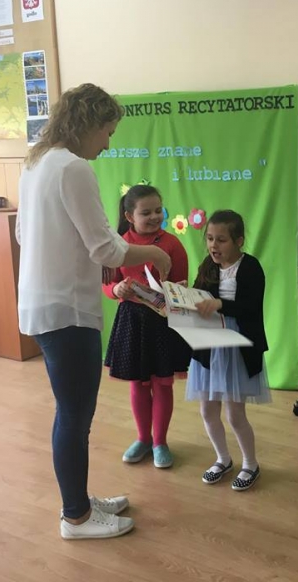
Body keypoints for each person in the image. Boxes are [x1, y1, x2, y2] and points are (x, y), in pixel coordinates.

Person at [16, 83, 171, 540]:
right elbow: (106, 249)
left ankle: (79, 501)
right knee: (75, 415)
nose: (108, 143)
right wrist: (154, 253)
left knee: (72, 412)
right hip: (66, 311)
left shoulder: (36, 162)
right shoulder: (73, 167)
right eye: (108, 131)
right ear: (88, 124)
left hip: (42, 305)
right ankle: (76, 517)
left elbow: (25, 235)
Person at [103, 184, 191, 469]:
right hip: (132, 321)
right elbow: (107, 284)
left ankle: (159, 442)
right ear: (129, 216)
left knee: (162, 384)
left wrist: (177, 290)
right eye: (146, 213)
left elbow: (182, 284)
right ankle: (143, 438)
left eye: (158, 210)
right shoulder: (118, 244)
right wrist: (116, 290)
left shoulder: (172, 244)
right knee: (138, 385)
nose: (154, 217)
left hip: (163, 322)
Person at [186, 210, 270, 492]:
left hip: (236, 347)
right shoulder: (207, 266)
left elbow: (251, 307)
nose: (214, 245)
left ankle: (251, 464)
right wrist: (184, 296)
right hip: (209, 347)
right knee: (207, 410)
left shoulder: (251, 267)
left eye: (221, 240)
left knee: (235, 414)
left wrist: (220, 304)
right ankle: (222, 458)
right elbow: (198, 297)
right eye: (210, 238)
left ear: (239, 241)